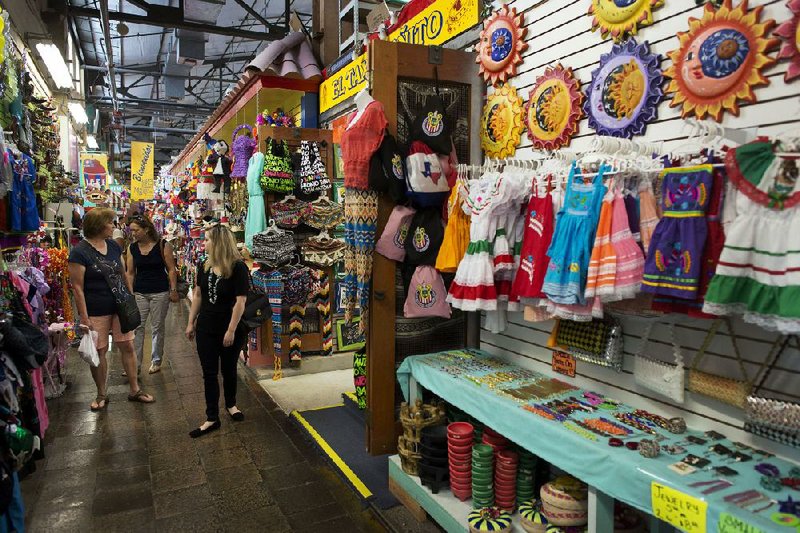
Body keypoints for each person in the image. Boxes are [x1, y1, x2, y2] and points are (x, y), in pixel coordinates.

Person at [68, 208, 154, 410]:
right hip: (96, 308)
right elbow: (77, 288)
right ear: (99, 225)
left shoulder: (114, 247)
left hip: (120, 306)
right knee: (99, 351)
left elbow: (123, 274)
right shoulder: (79, 252)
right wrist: (84, 317)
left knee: (128, 346)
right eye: (110, 222)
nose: (114, 226)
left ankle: (135, 389)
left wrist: (130, 297)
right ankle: (101, 394)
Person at [185, 224, 248, 437]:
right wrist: (190, 322)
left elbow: (240, 302)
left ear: (219, 243)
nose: (204, 243)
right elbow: (199, 295)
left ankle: (231, 404)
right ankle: (212, 417)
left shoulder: (238, 268)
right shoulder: (204, 265)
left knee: (229, 369)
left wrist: (231, 330)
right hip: (206, 328)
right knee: (209, 373)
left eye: (207, 240)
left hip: (230, 328)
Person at [126, 215, 179, 375]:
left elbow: (171, 269)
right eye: (132, 230)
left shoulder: (163, 245)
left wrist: (174, 289)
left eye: (136, 230)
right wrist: (130, 293)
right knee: (138, 328)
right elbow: (130, 273)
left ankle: (156, 360)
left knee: (157, 327)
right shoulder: (132, 248)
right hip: (140, 292)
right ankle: (136, 363)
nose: (133, 233)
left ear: (146, 229)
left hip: (160, 292)